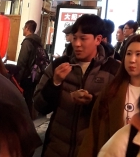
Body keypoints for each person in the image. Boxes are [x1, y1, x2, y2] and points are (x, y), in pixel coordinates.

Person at [34, 13, 119, 157]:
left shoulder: (113, 70)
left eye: (83, 38)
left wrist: (92, 102)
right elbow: (39, 105)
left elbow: (117, 112)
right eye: (74, 38)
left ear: (98, 39)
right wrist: (55, 83)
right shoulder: (59, 65)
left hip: (92, 150)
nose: (77, 44)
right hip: (56, 149)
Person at [78, 33, 140, 157]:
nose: (132, 59)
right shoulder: (111, 91)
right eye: (128, 53)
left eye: (139, 54)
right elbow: (93, 133)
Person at [16, 19, 44, 112]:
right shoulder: (38, 42)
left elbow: (22, 62)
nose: (23, 29)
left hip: (27, 76)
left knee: (23, 99)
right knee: (29, 99)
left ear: (27, 28)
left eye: (24, 28)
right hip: (35, 75)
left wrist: (17, 78)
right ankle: (29, 116)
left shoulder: (27, 42)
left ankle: (24, 117)